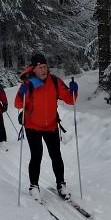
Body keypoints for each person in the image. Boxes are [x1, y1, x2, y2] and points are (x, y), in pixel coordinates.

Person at [15, 52, 79, 201]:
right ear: (34, 69)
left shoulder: (55, 81)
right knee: (36, 156)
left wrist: (74, 91)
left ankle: (61, 184)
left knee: (56, 156)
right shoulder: (28, 84)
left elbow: (70, 100)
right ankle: (33, 186)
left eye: (45, 67)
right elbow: (18, 104)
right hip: (33, 127)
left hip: (50, 126)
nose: (43, 70)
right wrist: (21, 94)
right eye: (40, 68)